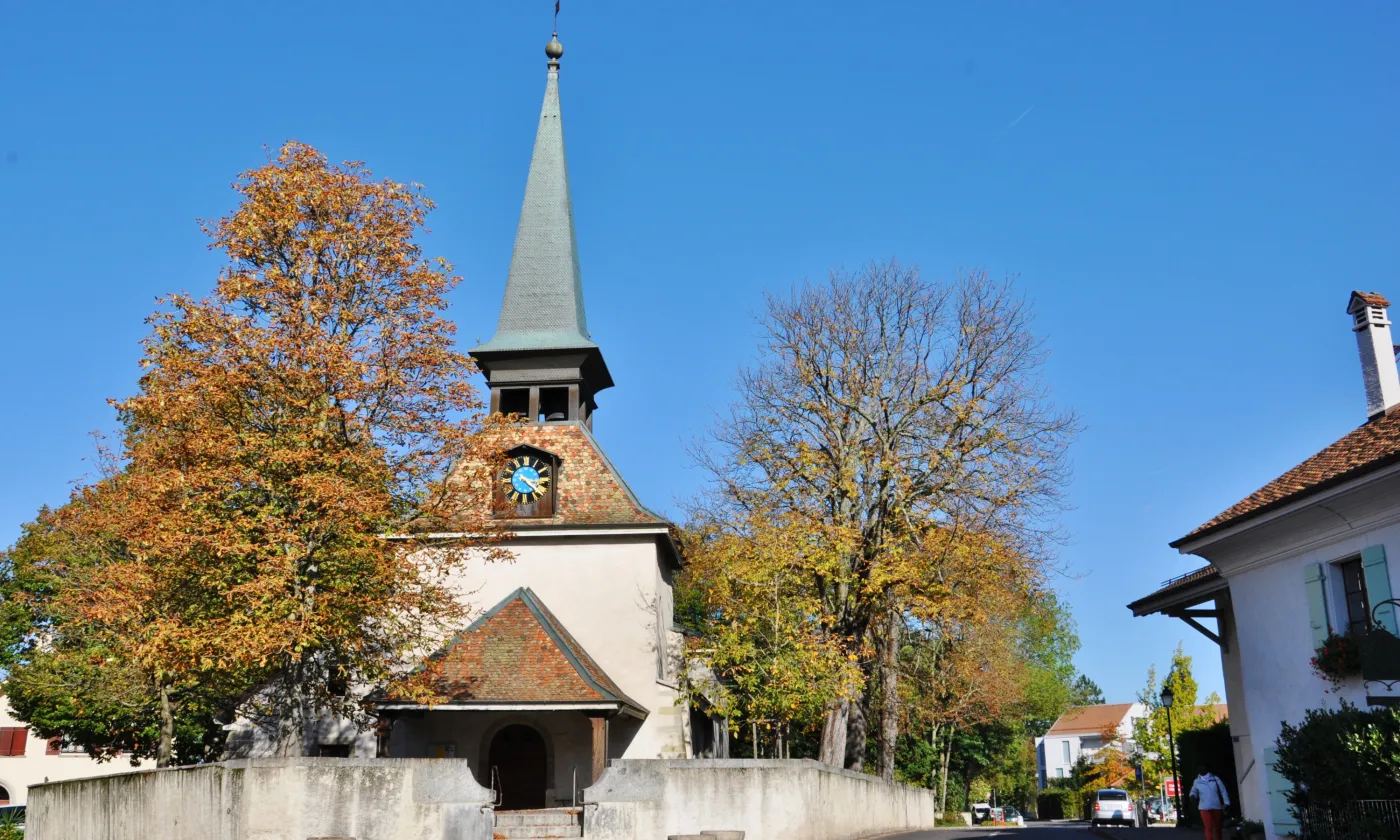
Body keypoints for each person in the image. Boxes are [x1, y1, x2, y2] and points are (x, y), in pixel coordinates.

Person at [1189, 764, 1231, 840]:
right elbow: (1194, 790)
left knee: (1217, 827)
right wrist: (1192, 795)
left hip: (1216, 806)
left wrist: (1226, 803)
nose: (1201, 771)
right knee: (1208, 827)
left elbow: (1223, 791)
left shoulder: (1215, 779)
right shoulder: (1197, 781)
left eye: (1203, 769)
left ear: (1206, 770)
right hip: (1204, 807)